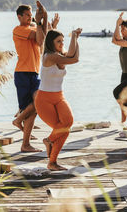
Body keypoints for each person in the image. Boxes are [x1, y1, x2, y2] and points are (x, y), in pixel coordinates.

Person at [34, 27, 81, 171]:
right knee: (62, 130)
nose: (61, 44)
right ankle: (52, 162)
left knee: (67, 123)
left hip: (59, 96)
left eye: (63, 41)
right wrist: (73, 36)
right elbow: (74, 58)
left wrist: (75, 39)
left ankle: (48, 141)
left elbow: (73, 56)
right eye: (58, 41)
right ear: (51, 42)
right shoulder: (50, 56)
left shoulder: (59, 55)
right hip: (44, 99)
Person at [11, 1, 47, 152]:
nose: (30, 17)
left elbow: (44, 37)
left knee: (38, 104)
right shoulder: (19, 30)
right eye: (27, 15)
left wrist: (45, 16)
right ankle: (25, 144)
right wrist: (39, 22)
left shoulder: (34, 26)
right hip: (22, 73)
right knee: (30, 108)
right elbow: (39, 39)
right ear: (19, 16)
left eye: (31, 15)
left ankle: (19, 120)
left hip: (34, 72)